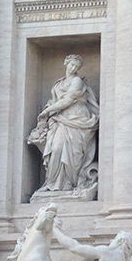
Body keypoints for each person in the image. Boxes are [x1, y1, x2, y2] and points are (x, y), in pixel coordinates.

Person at [28, 54, 100, 195]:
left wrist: (48, 111)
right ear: (66, 63)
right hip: (60, 118)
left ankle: (69, 184)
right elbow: (55, 100)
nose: (74, 68)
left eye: (77, 66)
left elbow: (68, 100)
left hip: (77, 117)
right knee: (56, 148)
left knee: (74, 152)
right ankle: (52, 183)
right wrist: (50, 110)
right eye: (72, 64)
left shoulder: (78, 81)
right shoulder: (58, 84)